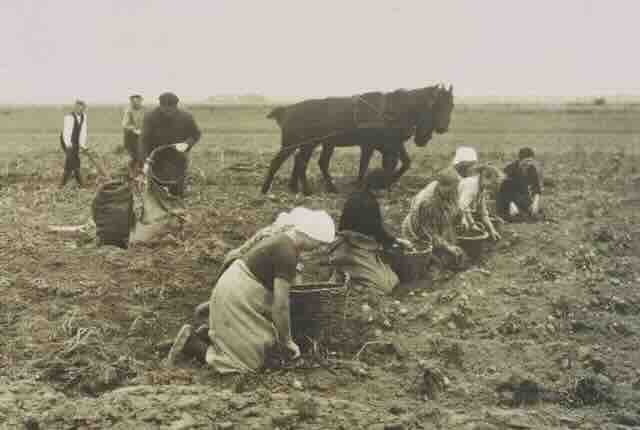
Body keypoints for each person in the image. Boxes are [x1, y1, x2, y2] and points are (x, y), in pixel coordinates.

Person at [168, 209, 336, 373]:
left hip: (239, 290)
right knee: (247, 364)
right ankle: (191, 344)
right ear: (310, 236)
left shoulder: (284, 241)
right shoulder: (287, 253)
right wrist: (287, 341)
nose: (318, 248)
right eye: (319, 243)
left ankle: (209, 336)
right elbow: (281, 305)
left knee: (264, 343)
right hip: (239, 294)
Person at [329, 172, 410, 295]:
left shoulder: (356, 196)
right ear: (376, 188)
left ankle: (344, 271)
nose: (387, 193)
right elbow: (377, 231)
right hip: (353, 247)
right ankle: (350, 281)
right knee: (387, 285)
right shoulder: (369, 203)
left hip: (345, 245)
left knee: (390, 277)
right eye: (386, 189)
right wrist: (396, 241)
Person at [139, 92, 201, 197]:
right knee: (156, 191)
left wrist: (187, 144)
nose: (168, 112)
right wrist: (145, 161)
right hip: (156, 157)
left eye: (171, 108)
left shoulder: (186, 117)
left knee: (176, 191)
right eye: (165, 109)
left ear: (176, 106)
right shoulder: (150, 117)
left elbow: (195, 134)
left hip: (177, 157)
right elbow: (143, 140)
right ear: (160, 106)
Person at [402, 171, 463, 264]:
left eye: (455, 189)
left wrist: (460, 218)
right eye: (450, 191)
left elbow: (454, 207)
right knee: (435, 262)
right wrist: (447, 246)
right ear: (441, 186)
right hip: (417, 231)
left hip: (435, 223)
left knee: (451, 249)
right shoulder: (428, 202)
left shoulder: (449, 189)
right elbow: (429, 231)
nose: (453, 193)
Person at [458, 164, 504, 240]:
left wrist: (493, 230)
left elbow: (483, 213)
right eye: (493, 183)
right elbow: (463, 207)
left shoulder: (482, 189)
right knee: (465, 227)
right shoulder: (471, 185)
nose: (493, 186)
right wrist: (472, 225)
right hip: (450, 210)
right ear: (485, 177)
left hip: (460, 211)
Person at [496, 147, 543, 221]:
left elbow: (536, 187)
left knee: (536, 214)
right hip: (508, 198)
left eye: (530, 161)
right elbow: (503, 190)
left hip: (522, 198)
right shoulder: (510, 169)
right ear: (520, 159)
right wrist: (511, 204)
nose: (528, 163)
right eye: (526, 161)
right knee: (515, 216)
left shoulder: (531, 169)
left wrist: (535, 203)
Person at [59, 100, 88, 187]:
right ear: (75, 108)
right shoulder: (69, 117)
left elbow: (83, 132)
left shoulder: (83, 117)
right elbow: (67, 132)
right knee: (72, 160)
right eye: (78, 107)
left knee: (73, 161)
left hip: (76, 141)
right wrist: (68, 144)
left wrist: (83, 145)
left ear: (84, 108)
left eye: (82, 108)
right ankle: (80, 184)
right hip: (66, 140)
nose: (80, 110)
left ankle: (63, 185)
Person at [122, 94, 145, 178]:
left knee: (142, 156)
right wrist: (133, 128)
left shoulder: (144, 110)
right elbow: (125, 124)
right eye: (134, 101)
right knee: (134, 156)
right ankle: (131, 173)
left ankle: (140, 173)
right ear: (131, 101)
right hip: (131, 137)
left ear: (141, 101)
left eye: (138, 101)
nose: (136, 103)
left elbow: (147, 121)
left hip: (141, 136)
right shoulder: (128, 111)